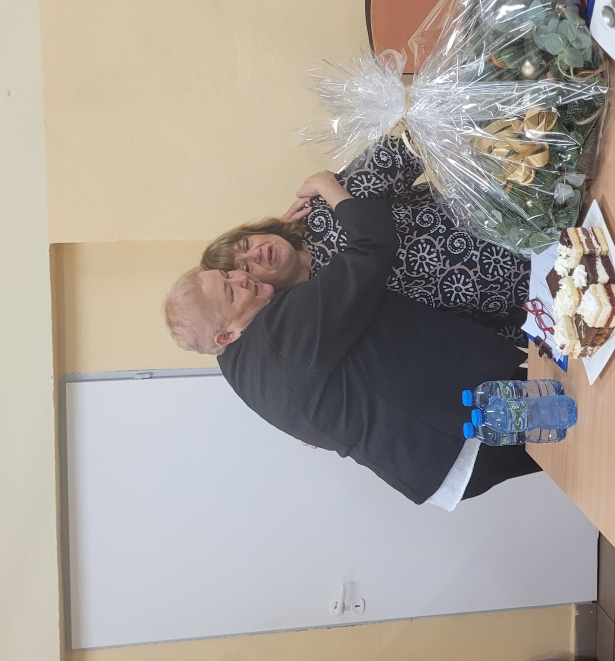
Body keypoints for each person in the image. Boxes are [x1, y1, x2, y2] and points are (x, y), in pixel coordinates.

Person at [164, 170, 541, 508]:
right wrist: (327, 186)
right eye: (231, 291)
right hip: (466, 423)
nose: (242, 278)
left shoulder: (241, 372)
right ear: (225, 334)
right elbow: (372, 244)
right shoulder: (280, 329)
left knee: (571, 442)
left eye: (228, 275)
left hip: (439, 460)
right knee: (574, 422)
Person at [200, 137, 530, 347]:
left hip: (516, 227)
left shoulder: (324, 211)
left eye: (246, 244)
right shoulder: (324, 307)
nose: (257, 254)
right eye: (246, 268)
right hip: (513, 309)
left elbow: (405, 150)